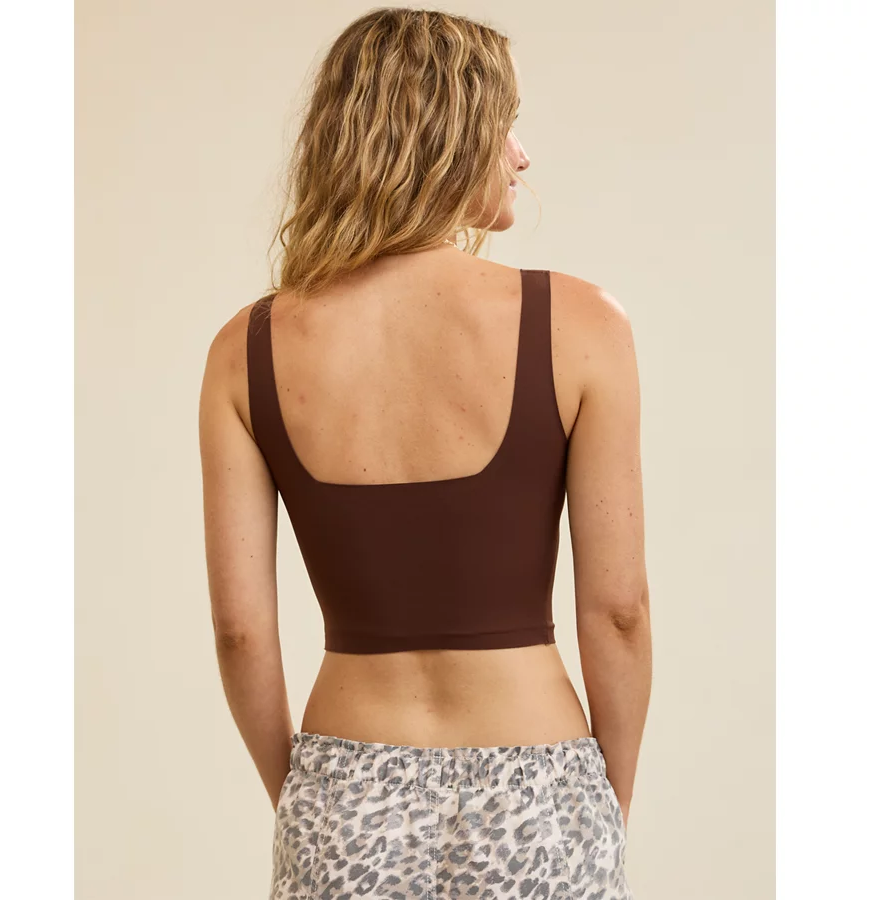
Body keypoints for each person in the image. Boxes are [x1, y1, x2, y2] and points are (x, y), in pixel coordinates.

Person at [199, 8, 651, 899]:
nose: (521, 155)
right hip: (541, 784)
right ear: (448, 134)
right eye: (505, 125)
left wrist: (310, 803)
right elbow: (619, 612)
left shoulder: (243, 351)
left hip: (344, 784)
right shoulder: (582, 324)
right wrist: (602, 803)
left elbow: (239, 629)